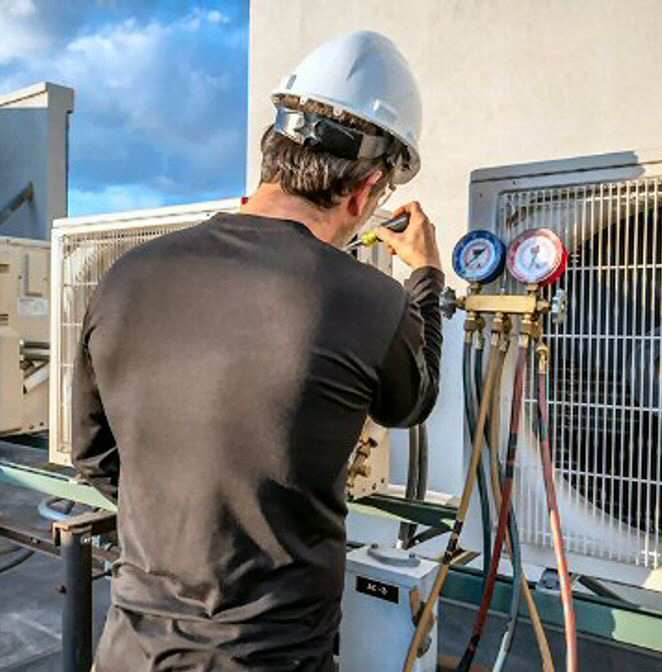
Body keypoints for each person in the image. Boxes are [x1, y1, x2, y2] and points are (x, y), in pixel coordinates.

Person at [72, 31, 444, 672]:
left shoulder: (126, 276)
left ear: (274, 152)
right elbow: (412, 400)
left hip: (130, 651)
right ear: (366, 191)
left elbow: (95, 458)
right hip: (273, 658)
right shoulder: (370, 299)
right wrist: (427, 280)